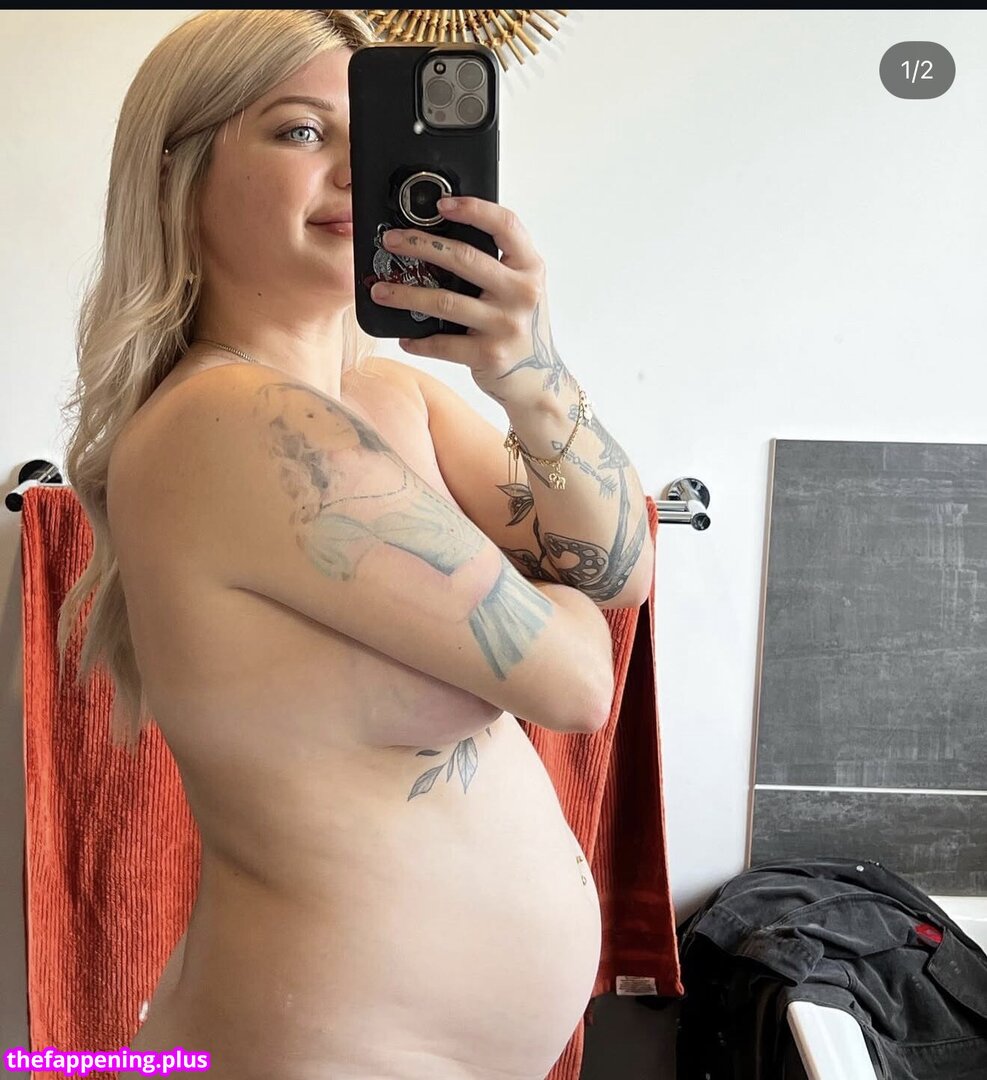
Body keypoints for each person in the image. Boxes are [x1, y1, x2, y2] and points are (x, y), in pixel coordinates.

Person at [57, 9, 656, 1079]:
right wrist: (535, 585)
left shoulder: (389, 396)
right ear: (179, 173)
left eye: (364, 133)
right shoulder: (233, 422)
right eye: (299, 131)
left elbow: (620, 570)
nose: (352, 169)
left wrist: (527, 370)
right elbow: (575, 679)